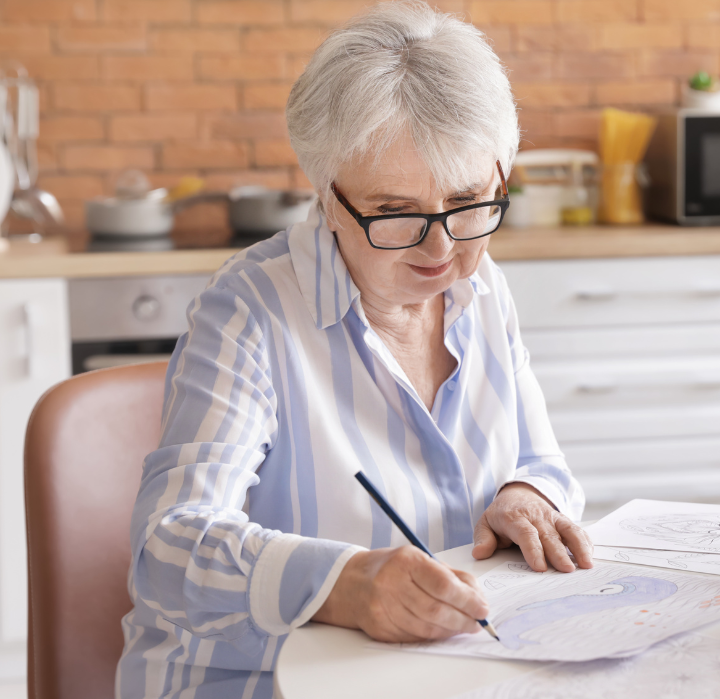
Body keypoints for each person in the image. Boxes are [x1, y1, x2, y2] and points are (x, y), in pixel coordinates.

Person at [116, 4, 591, 697]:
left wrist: (526, 495)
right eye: (397, 213)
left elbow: (541, 460)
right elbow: (170, 545)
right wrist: (344, 584)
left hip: (438, 675)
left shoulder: (482, 288)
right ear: (329, 197)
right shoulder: (250, 311)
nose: (441, 249)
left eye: (467, 203)